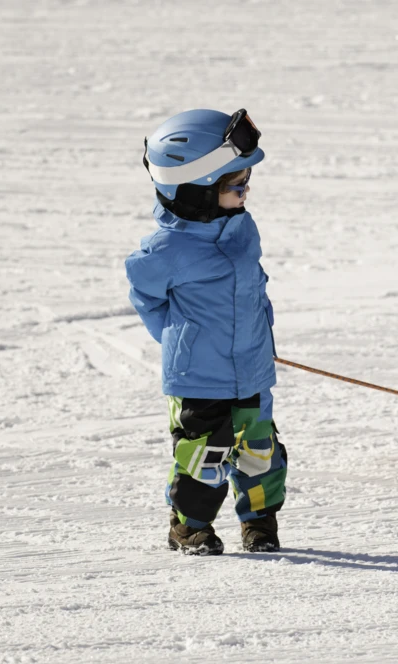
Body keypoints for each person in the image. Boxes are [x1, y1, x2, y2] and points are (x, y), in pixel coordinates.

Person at [125, 109, 286, 555]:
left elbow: (254, 289)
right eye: (236, 185)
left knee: (260, 452)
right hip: (199, 376)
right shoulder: (166, 250)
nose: (246, 191)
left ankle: (259, 523)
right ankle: (189, 526)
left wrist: (259, 336)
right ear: (195, 191)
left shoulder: (241, 227)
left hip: (251, 367)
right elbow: (147, 296)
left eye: (246, 181)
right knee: (204, 457)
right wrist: (184, 339)